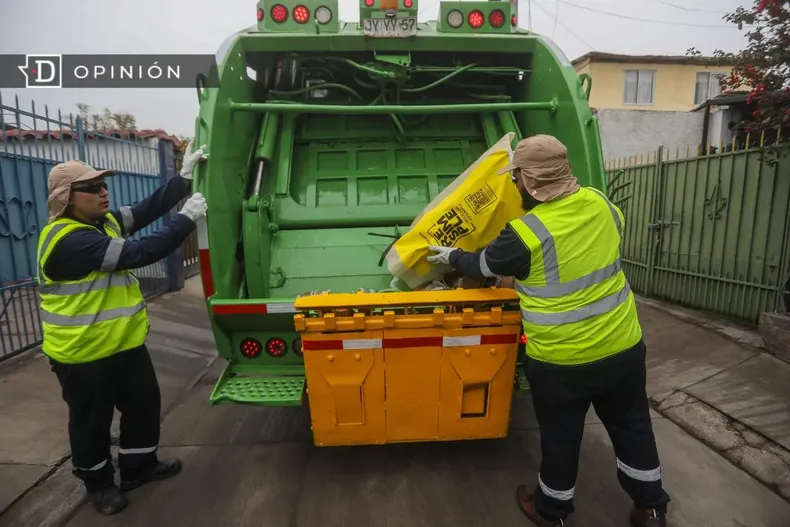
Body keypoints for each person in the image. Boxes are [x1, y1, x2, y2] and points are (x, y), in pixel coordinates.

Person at [426, 135, 671, 527]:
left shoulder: (524, 234)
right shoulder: (602, 204)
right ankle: (652, 506)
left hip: (562, 361)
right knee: (633, 426)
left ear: (529, 180)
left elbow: (483, 266)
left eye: (516, 177)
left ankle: (550, 511)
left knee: (561, 437)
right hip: (623, 348)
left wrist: (450, 255)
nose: (514, 184)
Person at [36, 142, 210, 515]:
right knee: (91, 423)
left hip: (124, 345)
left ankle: (138, 467)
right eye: (92, 188)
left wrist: (181, 181)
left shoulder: (102, 223)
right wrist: (185, 220)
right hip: (82, 352)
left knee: (144, 404)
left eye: (103, 185)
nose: (103, 192)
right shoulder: (69, 240)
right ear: (67, 197)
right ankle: (98, 485)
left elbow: (144, 210)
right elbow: (139, 253)